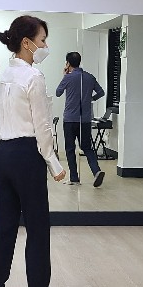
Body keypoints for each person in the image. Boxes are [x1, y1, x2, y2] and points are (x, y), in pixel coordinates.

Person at [0, 15, 72, 287]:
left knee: (5, 227)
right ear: (26, 42)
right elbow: (42, 126)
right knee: (37, 227)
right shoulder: (34, 76)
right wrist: (54, 163)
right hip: (26, 155)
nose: (45, 46)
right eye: (42, 40)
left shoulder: (4, 76)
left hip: (3, 155)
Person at [55, 52, 106, 187]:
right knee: (87, 147)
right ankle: (96, 171)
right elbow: (101, 92)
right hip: (85, 120)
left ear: (68, 63)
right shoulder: (89, 77)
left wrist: (65, 75)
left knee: (70, 149)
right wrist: (90, 99)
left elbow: (58, 92)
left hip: (70, 119)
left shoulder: (68, 77)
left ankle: (74, 178)